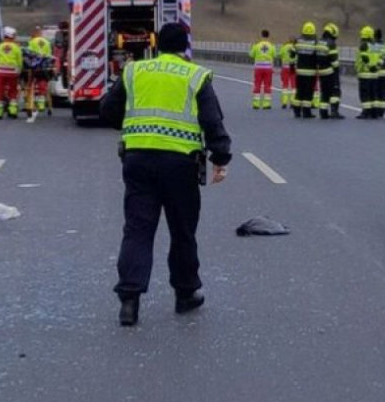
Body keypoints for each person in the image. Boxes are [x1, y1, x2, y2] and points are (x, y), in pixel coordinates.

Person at [100, 22, 231, 326]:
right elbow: (212, 120)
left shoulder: (135, 71)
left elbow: (108, 110)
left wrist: (135, 130)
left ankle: (129, 302)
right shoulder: (195, 76)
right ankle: (185, 294)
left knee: (138, 229)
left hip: (138, 160)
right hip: (181, 165)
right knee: (182, 230)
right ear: (185, 46)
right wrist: (221, 156)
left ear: (156, 43)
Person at [0, 26, 22, 119]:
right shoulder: (16, 47)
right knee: (13, 91)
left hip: (0, 72)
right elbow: (19, 61)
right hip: (13, 73)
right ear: (12, 36)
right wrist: (19, 71)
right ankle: (13, 111)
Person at [317, 22, 344, 119]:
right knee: (335, 91)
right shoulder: (331, 44)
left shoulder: (319, 42)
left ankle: (323, 112)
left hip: (321, 71)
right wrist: (337, 69)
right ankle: (334, 111)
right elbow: (334, 60)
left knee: (324, 93)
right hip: (330, 72)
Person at [293, 22, 319, 118]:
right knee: (308, 92)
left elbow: (292, 53)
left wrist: (292, 65)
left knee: (299, 91)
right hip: (311, 71)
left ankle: (296, 111)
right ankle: (306, 112)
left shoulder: (298, 41)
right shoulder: (315, 42)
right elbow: (318, 56)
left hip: (300, 71)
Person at [26, 25, 53, 113]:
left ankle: (31, 103)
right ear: (41, 33)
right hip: (44, 68)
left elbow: (29, 54)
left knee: (31, 83)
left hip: (34, 67)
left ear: (34, 33)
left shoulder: (32, 42)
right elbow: (49, 55)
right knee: (43, 83)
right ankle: (42, 103)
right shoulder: (47, 42)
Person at [355, 26, 380, 119]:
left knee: (365, 94)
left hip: (365, 74)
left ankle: (365, 112)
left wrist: (370, 66)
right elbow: (381, 58)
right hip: (375, 74)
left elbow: (364, 58)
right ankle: (374, 112)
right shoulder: (375, 46)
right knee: (373, 93)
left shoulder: (364, 45)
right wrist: (376, 67)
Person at [248, 29, 276, 110]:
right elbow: (275, 55)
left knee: (257, 85)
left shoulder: (257, 45)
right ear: (268, 36)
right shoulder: (271, 46)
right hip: (268, 68)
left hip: (258, 68)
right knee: (267, 85)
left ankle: (256, 104)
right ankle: (266, 104)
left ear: (261, 35)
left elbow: (251, 55)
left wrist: (252, 47)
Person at [279, 36, 296, 109]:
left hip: (285, 68)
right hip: (293, 68)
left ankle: (284, 102)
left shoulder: (284, 47)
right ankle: (293, 102)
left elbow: (280, 55)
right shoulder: (296, 47)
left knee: (285, 86)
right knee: (293, 86)